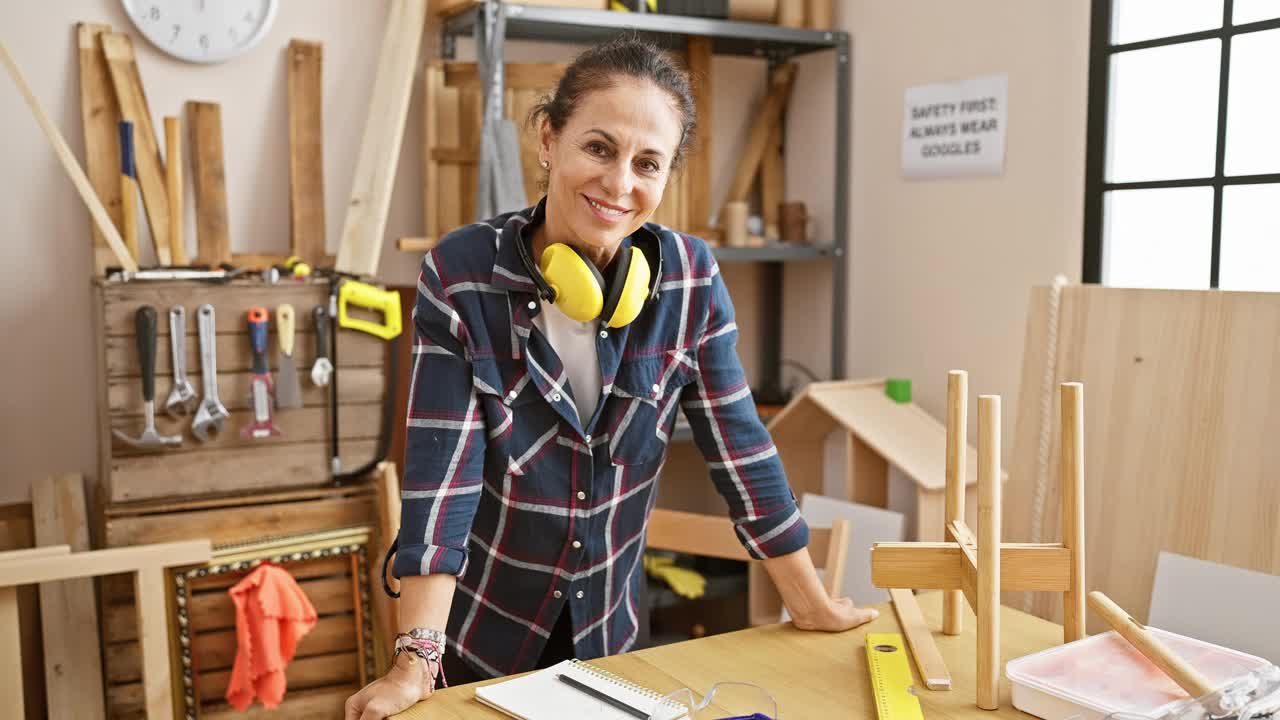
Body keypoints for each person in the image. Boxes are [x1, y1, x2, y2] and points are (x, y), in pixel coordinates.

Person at [344, 36, 878, 720]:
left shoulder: (690, 278)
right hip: (483, 644)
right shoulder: (462, 275)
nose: (620, 184)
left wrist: (812, 604)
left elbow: (742, 449)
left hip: (614, 646)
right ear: (549, 137)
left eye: (647, 163)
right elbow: (442, 478)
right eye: (599, 148)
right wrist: (416, 663)